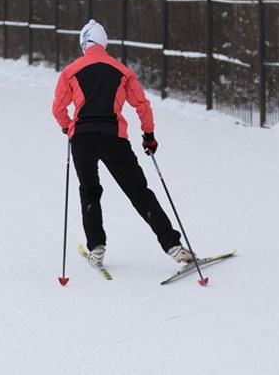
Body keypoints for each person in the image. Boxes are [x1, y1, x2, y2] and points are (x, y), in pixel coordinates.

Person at [52, 19, 193, 267]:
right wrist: (148, 136)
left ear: (84, 43)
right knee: (139, 192)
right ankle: (174, 246)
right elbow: (142, 105)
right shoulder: (122, 71)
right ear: (104, 43)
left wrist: (67, 127)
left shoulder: (71, 71)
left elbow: (58, 107)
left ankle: (96, 248)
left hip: (82, 138)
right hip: (113, 138)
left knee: (89, 191)